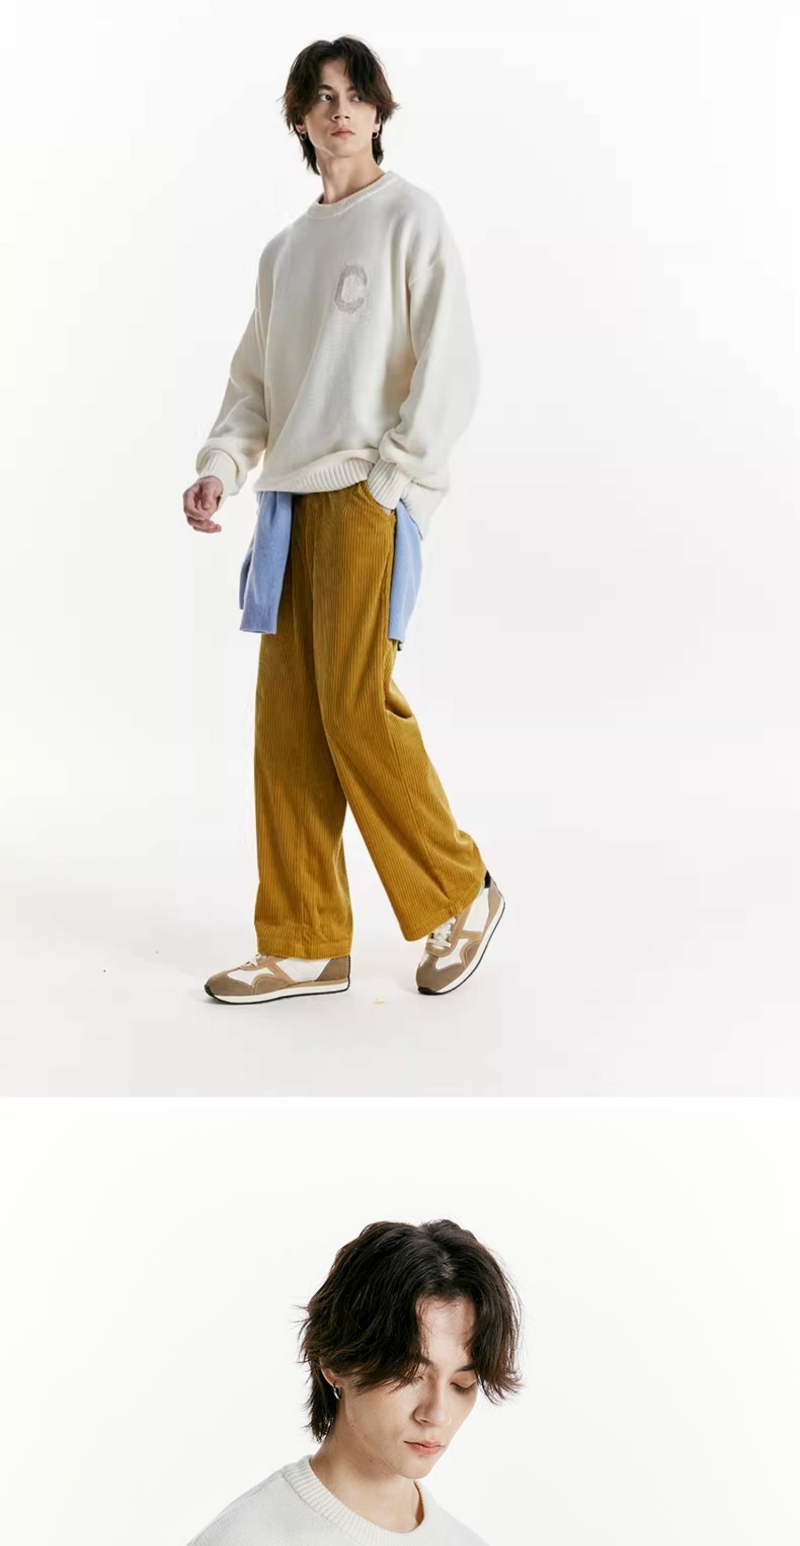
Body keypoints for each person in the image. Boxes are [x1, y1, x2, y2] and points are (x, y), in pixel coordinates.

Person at [183, 36, 506, 1003]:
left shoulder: (410, 218)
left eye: (355, 95)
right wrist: (219, 467)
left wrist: (395, 478)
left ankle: (461, 894)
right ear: (301, 118)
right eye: (322, 97)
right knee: (287, 724)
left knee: (356, 706)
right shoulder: (284, 254)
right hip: (288, 503)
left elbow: (451, 362)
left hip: (367, 493)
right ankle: (304, 940)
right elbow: (253, 387)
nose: (340, 110)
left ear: (377, 112)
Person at [185, 1218, 522, 1544]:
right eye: (410, 1376)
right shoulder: (245, 1537)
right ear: (335, 1362)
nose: (437, 1415)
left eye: (462, 1384)